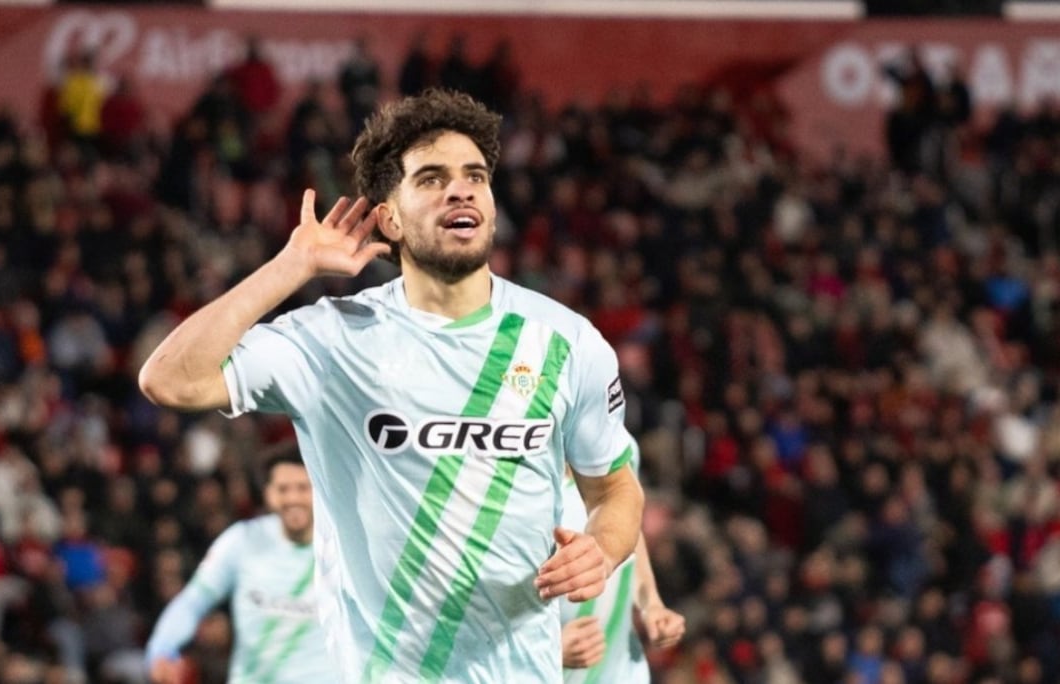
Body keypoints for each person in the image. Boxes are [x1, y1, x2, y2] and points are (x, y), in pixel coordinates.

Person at [139, 88, 644, 683]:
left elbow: (615, 490)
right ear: (389, 219)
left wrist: (601, 550)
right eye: (431, 179)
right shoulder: (331, 341)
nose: (461, 190)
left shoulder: (568, 341)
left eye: (475, 176)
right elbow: (170, 380)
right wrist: (290, 267)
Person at [144, 453, 333, 684]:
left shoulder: (343, 549)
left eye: (303, 488)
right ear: (268, 493)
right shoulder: (243, 540)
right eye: (283, 489)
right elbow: (192, 601)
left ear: (320, 489)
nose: (293, 498)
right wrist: (162, 649)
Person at [559, 437, 685, 683]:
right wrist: (549, 650)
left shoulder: (620, 446)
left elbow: (629, 531)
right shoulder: (522, 480)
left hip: (622, 672)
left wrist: (651, 604)